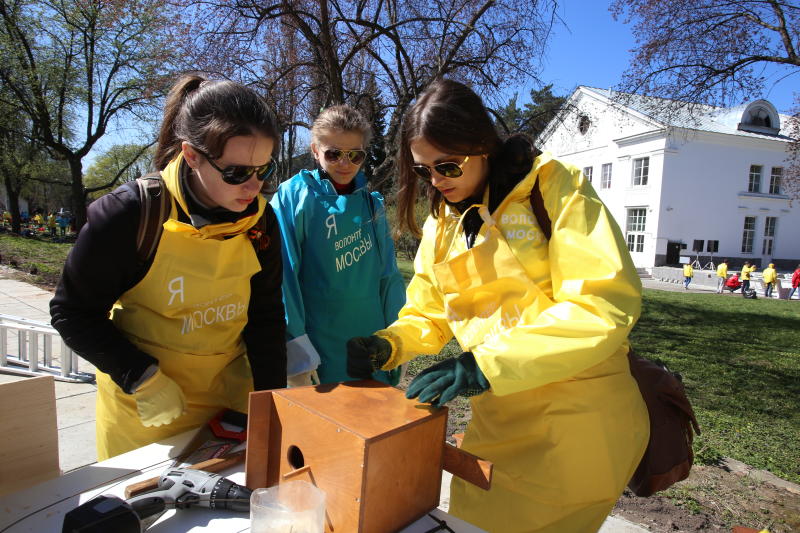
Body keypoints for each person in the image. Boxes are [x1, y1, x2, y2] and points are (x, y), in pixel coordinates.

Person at [346, 79, 648, 532]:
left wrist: (485, 365)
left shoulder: (554, 188)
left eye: (447, 166)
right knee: (471, 521)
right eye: (424, 169)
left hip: (576, 426)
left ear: (482, 145)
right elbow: (429, 309)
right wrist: (390, 343)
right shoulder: (443, 220)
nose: (436, 181)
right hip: (498, 421)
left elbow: (600, 304)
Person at [50, 74, 287, 460]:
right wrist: (140, 376)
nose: (253, 187)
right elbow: (72, 312)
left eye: (264, 169)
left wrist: (272, 406)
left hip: (223, 410)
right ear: (192, 155)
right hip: (145, 414)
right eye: (237, 172)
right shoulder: (131, 214)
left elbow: (266, 317)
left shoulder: (260, 220)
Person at [270, 105, 405, 386]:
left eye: (355, 155)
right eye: (333, 154)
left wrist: (397, 337)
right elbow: (283, 275)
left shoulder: (372, 203)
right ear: (315, 150)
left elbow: (389, 276)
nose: (345, 163)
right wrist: (296, 344)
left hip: (370, 339)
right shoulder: (295, 195)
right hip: (317, 343)